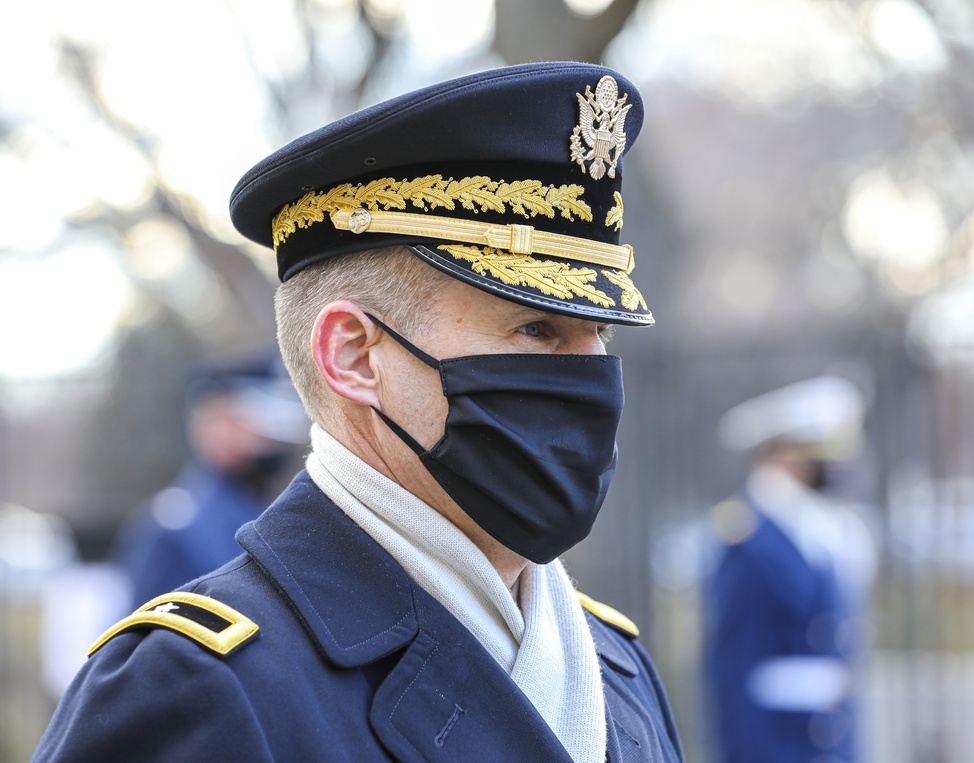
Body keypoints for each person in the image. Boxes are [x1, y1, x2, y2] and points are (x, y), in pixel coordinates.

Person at [32, 62, 684, 762]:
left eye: (601, 335)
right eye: (535, 329)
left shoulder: (616, 664)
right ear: (354, 355)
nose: (592, 379)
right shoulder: (199, 689)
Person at [701, 376, 878, 763]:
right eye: (820, 455)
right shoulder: (747, 540)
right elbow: (734, 671)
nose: (833, 468)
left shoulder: (820, 528)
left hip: (827, 741)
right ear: (783, 456)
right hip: (776, 746)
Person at [112, 349, 309, 610]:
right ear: (215, 426)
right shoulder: (176, 530)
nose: (273, 444)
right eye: (257, 427)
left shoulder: (275, 511)